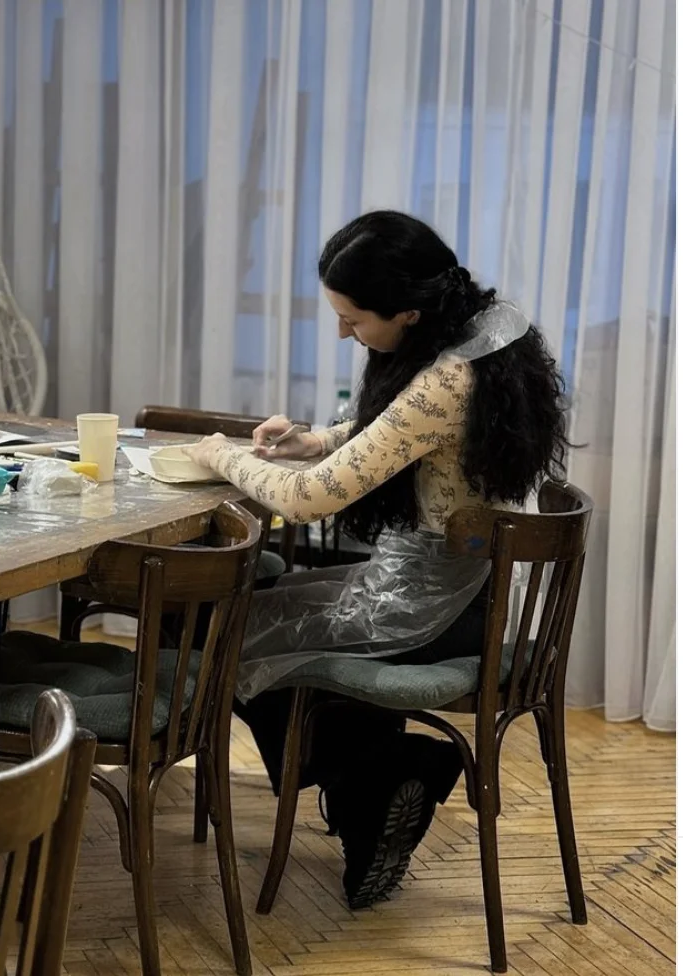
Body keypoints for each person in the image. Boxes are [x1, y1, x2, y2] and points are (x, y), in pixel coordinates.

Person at [184, 211, 570, 909]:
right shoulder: (483, 337)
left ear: (409, 312)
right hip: (460, 589)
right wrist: (316, 440)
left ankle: (383, 780)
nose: (343, 333)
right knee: (252, 613)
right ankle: (380, 783)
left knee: (223, 631)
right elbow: (402, 433)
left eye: (353, 320)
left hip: (434, 609)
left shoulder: (445, 381)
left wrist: (219, 454)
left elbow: (305, 501)